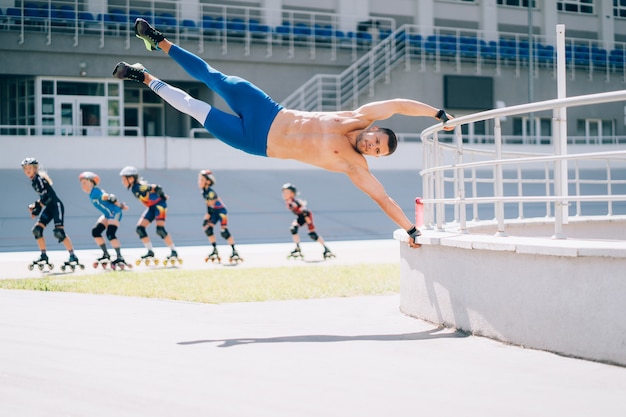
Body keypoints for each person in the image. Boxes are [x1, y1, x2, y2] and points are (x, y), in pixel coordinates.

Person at [113, 18, 455, 248]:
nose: (371, 146)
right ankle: (157, 41)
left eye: (376, 151)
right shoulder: (356, 118)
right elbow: (397, 103)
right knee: (213, 78)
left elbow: (383, 199)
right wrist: (438, 114)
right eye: (376, 141)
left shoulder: (355, 166)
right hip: (268, 110)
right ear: (375, 130)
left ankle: (142, 77)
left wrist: (411, 229)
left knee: (193, 107)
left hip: (255, 142)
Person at [21, 158, 80, 268]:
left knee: (59, 233)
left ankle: (73, 256)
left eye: (30, 168)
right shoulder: (34, 181)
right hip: (49, 206)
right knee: (37, 230)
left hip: (56, 206)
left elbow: (48, 198)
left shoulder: (38, 180)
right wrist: (35, 205)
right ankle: (43, 255)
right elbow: (44, 198)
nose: (28, 170)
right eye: (25, 169)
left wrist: (37, 209)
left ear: (35, 169)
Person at [119, 166, 179, 263]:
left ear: (131, 178)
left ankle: (173, 251)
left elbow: (157, 187)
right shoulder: (134, 188)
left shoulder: (138, 187)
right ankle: (150, 251)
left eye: (123, 179)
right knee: (140, 229)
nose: (122, 182)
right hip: (151, 207)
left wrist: (163, 196)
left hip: (159, 205)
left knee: (160, 230)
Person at [78, 171, 129, 268]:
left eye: (84, 182)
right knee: (96, 232)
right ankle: (106, 254)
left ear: (91, 182)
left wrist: (121, 205)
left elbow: (108, 197)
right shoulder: (92, 193)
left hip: (114, 212)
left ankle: (119, 256)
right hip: (107, 214)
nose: (82, 185)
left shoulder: (96, 192)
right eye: (81, 183)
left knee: (110, 234)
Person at [198, 169, 241, 263]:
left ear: (208, 182)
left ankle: (234, 250)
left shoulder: (211, 192)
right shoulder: (204, 192)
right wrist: (206, 220)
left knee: (224, 231)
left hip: (221, 211)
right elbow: (209, 207)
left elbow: (210, 208)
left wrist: (206, 219)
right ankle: (214, 249)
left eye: (201, 180)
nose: (199, 182)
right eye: (199, 179)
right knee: (208, 229)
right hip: (214, 212)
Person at [281, 183, 334, 260]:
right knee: (293, 229)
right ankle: (297, 248)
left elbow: (305, 212)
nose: (284, 194)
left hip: (306, 216)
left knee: (312, 235)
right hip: (300, 216)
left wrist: (310, 225)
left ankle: (326, 249)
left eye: (287, 193)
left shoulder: (294, 203)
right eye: (284, 192)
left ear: (292, 194)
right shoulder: (289, 201)